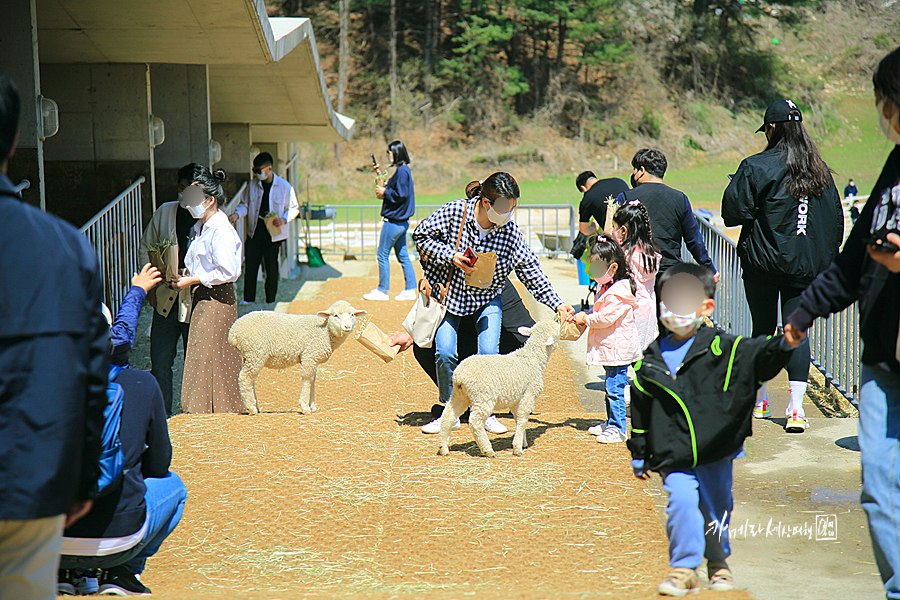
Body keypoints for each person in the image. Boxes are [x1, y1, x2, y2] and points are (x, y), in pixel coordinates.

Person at [784, 45, 900, 600]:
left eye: (883, 102)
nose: (881, 114)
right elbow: (855, 258)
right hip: (883, 361)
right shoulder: (894, 166)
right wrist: (802, 312)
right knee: (879, 487)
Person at [0, 71, 107, 600]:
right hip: (31, 485)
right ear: (16, 141)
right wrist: (81, 479)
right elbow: (92, 377)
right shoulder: (66, 248)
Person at [628, 263, 798, 596]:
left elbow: (758, 356)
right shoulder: (648, 362)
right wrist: (639, 454)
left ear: (706, 307)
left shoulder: (725, 348)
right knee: (680, 501)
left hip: (716, 449)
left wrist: (785, 343)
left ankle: (718, 562)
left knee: (715, 509)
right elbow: (639, 411)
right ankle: (684, 568)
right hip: (672, 451)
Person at [411, 173, 574, 434]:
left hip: (488, 299)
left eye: (513, 207)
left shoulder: (508, 230)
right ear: (486, 203)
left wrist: (557, 304)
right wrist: (450, 256)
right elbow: (420, 236)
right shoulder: (456, 211)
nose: (509, 212)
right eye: (504, 207)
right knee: (444, 352)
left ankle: (486, 412)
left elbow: (530, 268)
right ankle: (449, 412)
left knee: (488, 354)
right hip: (450, 298)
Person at [59, 267, 186, 597]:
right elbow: (160, 465)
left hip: (47, 536)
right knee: (174, 487)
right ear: (111, 339)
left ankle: (65, 573)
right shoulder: (142, 384)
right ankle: (122, 572)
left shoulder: (41, 386)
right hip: (120, 535)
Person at [722, 98, 843, 432]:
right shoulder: (820, 170)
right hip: (805, 267)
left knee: (761, 328)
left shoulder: (757, 165)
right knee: (797, 331)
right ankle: (795, 411)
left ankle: (760, 401)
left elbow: (733, 213)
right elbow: (835, 221)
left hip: (763, 265)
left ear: (771, 128)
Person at [390, 278, 536, 421]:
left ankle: (468, 406)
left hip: (508, 350)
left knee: (430, 348)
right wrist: (411, 334)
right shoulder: (462, 272)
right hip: (514, 348)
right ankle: (465, 404)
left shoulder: (468, 279)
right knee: (428, 345)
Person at [174, 167, 244, 413]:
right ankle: (207, 407)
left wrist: (193, 280)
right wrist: (188, 276)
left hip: (217, 298)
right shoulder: (201, 227)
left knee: (211, 354)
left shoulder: (221, 230)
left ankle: (217, 407)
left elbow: (229, 271)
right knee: (203, 352)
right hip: (202, 296)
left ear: (210, 200)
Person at [139, 163, 200, 416]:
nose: (183, 193)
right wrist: (151, 289)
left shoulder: (210, 218)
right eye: (182, 188)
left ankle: (193, 414)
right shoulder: (165, 212)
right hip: (165, 298)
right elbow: (146, 247)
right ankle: (164, 415)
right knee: (161, 362)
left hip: (196, 301)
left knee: (195, 363)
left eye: (190, 189)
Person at [571, 235, 640, 444]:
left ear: (612, 268)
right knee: (610, 387)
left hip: (619, 350)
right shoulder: (606, 288)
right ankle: (611, 422)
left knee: (614, 389)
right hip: (611, 349)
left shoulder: (618, 292)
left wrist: (586, 317)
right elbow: (600, 312)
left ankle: (618, 428)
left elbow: (604, 318)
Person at [615, 149, 718, 282]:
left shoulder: (625, 197)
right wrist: (709, 268)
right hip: (671, 272)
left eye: (634, 170)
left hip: (636, 274)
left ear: (641, 170)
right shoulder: (680, 198)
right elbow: (694, 240)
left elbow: (614, 235)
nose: (633, 175)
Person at [229, 152, 299, 304]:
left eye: (259, 170)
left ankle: (271, 300)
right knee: (251, 267)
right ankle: (248, 299)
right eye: (255, 170)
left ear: (269, 169)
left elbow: (293, 208)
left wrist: (284, 219)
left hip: (273, 235)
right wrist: (236, 215)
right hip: (254, 233)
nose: (257, 174)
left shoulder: (284, 186)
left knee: (271, 269)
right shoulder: (252, 185)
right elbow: (244, 205)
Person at [364, 140, 418, 301]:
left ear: (397, 153)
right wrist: (380, 174)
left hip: (394, 221)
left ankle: (382, 290)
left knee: (382, 254)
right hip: (401, 222)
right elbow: (397, 189)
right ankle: (410, 289)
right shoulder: (403, 170)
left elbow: (400, 194)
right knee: (403, 255)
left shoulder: (402, 171)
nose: (388, 156)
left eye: (390, 153)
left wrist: (384, 191)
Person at [611, 199, 662, 352]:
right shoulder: (650, 252)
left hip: (629, 309)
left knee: (627, 351)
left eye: (615, 228)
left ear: (624, 230)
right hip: (648, 308)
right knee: (644, 350)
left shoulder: (625, 255)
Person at [575, 170, 630, 235]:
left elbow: (584, 230)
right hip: (634, 224)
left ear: (583, 188)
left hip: (616, 235)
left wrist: (594, 228)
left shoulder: (588, 198)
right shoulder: (619, 181)